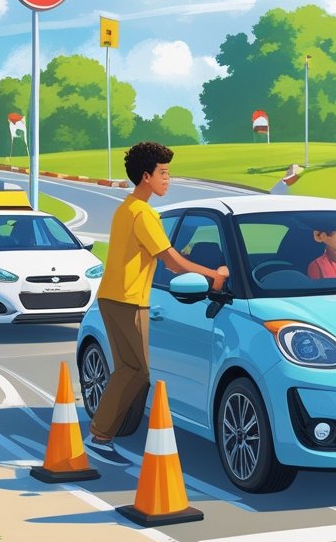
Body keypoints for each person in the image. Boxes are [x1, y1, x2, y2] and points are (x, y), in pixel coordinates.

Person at [85, 141, 230, 465]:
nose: (168, 179)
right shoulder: (144, 214)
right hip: (127, 299)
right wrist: (215, 276)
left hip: (120, 298)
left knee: (131, 370)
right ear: (146, 176)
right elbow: (173, 262)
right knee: (135, 371)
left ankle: (108, 431)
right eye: (163, 173)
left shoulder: (127, 208)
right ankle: (99, 435)